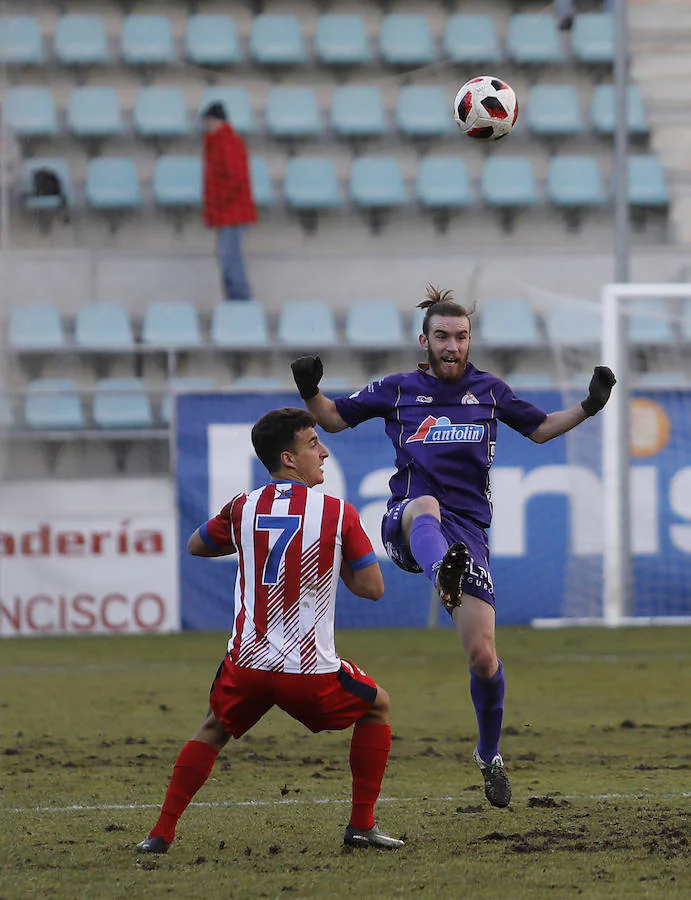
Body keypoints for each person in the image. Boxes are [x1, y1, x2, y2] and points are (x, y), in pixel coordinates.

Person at [290, 285, 616, 809]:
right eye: (442, 336)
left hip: (467, 535)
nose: (452, 346)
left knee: (484, 657)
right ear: (425, 340)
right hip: (408, 523)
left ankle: (489, 755)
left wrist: (589, 405)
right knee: (426, 508)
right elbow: (331, 417)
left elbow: (540, 429)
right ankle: (443, 568)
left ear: (469, 340)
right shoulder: (397, 390)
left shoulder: (489, 391)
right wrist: (310, 389)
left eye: (461, 337)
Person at [136, 407, 404, 854]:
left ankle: (160, 833)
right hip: (309, 672)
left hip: (248, 665)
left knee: (212, 729)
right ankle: (361, 826)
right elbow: (372, 589)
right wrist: (331, 561)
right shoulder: (337, 512)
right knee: (378, 705)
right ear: (289, 458)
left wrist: (246, 541)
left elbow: (197, 545)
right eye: (313, 443)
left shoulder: (243, 506)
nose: (324, 450)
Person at [202, 101, 256, 302]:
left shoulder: (225, 142)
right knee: (228, 259)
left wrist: (219, 203)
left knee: (230, 260)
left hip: (231, 212)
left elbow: (234, 177)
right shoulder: (221, 142)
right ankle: (236, 303)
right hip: (229, 212)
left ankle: (241, 302)